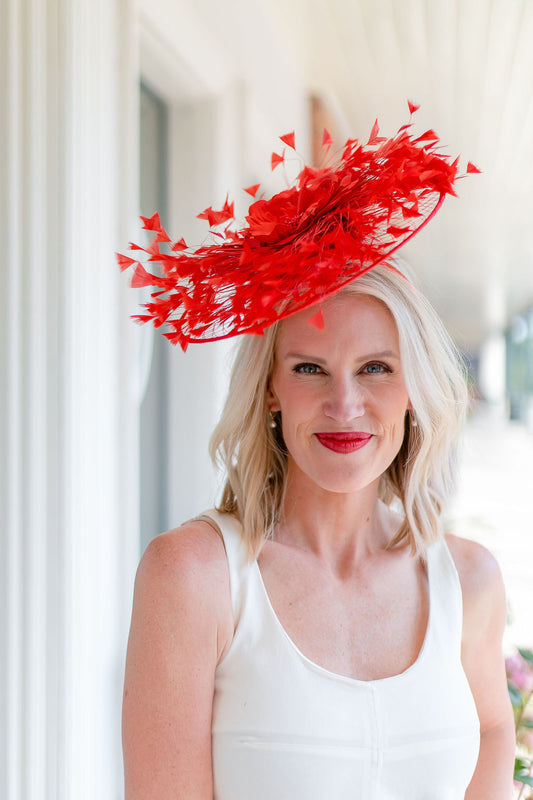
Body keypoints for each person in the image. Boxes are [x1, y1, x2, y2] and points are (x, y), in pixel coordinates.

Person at [120, 109, 515, 799]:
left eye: (375, 368)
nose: (344, 404)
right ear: (270, 390)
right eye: (309, 369)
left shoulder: (468, 581)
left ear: (414, 390)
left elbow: (489, 736)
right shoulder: (194, 578)